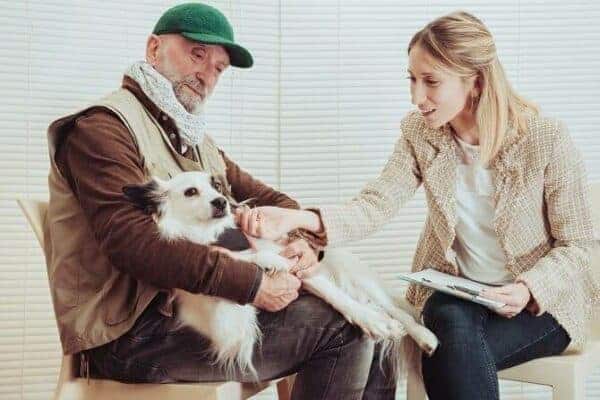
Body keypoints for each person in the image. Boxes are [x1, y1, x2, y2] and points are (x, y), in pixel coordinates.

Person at [239, 11, 599, 400]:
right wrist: (299, 218)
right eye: (411, 79)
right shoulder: (421, 133)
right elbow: (376, 203)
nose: (416, 97)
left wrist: (528, 288)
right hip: (461, 294)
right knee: (447, 327)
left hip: (540, 305)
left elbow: (579, 244)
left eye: (431, 82)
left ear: (475, 81)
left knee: (447, 352)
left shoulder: (545, 138)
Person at [45, 3, 394, 399]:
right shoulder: (102, 129)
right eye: (197, 54)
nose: (207, 74)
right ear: (154, 49)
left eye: (219, 68)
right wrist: (252, 284)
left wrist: (303, 240)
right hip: (130, 335)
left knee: (373, 316)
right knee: (345, 328)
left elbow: (272, 200)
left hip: (200, 307)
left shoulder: (194, 141)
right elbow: (133, 243)